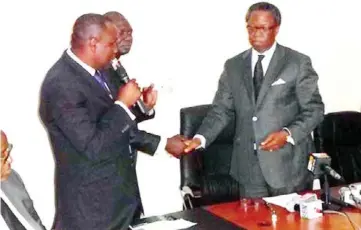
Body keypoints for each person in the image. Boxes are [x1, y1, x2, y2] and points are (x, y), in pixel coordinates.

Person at [39, 13, 186, 230]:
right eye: (111, 44)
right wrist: (122, 105)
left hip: (122, 202)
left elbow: (111, 125)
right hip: (92, 212)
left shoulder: (101, 69)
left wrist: (139, 108)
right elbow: (93, 146)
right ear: (93, 43)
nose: (116, 50)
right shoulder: (61, 85)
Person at [184, 2, 324, 198]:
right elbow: (221, 110)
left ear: (276, 29)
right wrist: (199, 139)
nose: (256, 33)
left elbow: (314, 110)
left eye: (263, 28)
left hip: (288, 166)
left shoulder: (297, 63)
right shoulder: (233, 66)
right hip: (248, 169)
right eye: (251, 27)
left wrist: (287, 133)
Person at [104, 11, 157, 123]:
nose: (128, 38)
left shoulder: (116, 66)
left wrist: (146, 107)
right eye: (122, 32)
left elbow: (125, 123)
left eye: (130, 33)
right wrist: (161, 141)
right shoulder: (99, 71)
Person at [1, 130, 46, 230]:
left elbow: (35, 221)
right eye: (2, 155)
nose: (10, 160)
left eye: (8, 150)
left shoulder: (12, 179)